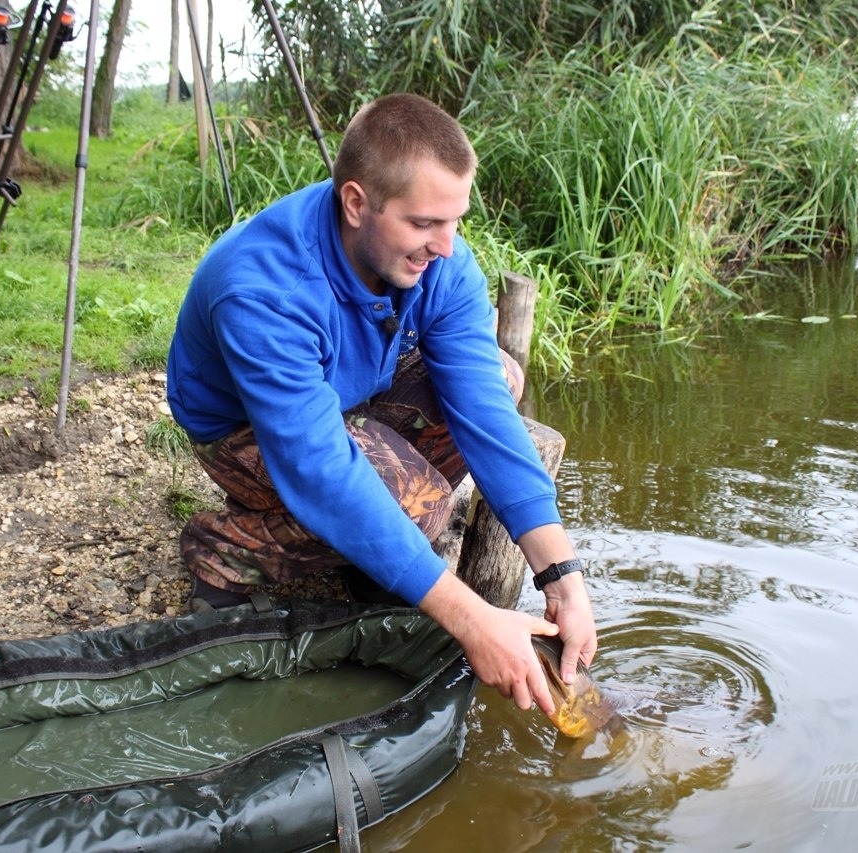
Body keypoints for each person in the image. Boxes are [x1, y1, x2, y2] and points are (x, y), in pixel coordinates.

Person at [166, 92, 596, 715]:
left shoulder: (440, 261)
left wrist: (562, 576)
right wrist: (470, 617)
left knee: (499, 379)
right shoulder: (265, 288)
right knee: (419, 505)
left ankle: (377, 556)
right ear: (356, 203)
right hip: (242, 427)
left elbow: (488, 419)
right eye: (423, 224)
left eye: (455, 221)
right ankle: (230, 549)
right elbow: (319, 467)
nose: (445, 246)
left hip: (348, 392)